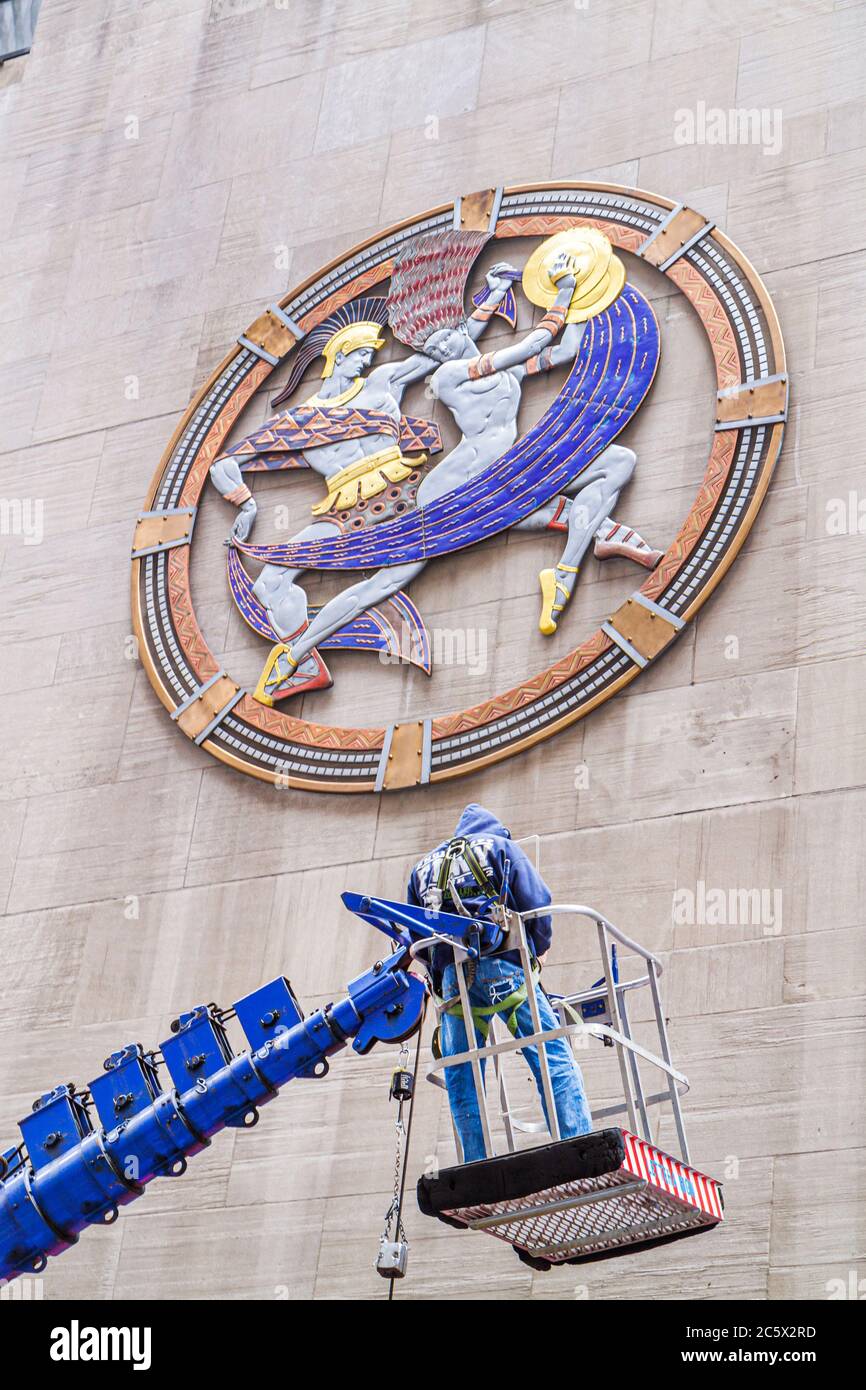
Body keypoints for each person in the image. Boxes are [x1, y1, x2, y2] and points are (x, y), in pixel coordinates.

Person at [407, 803, 592, 1163]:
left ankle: (474, 1162)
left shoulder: (422, 868)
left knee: (462, 1074)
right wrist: (539, 950)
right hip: (506, 968)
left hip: (455, 987)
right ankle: (576, 1143)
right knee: (549, 1053)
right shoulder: (499, 848)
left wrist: (438, 976)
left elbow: (413, 936)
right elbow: (538, 902)